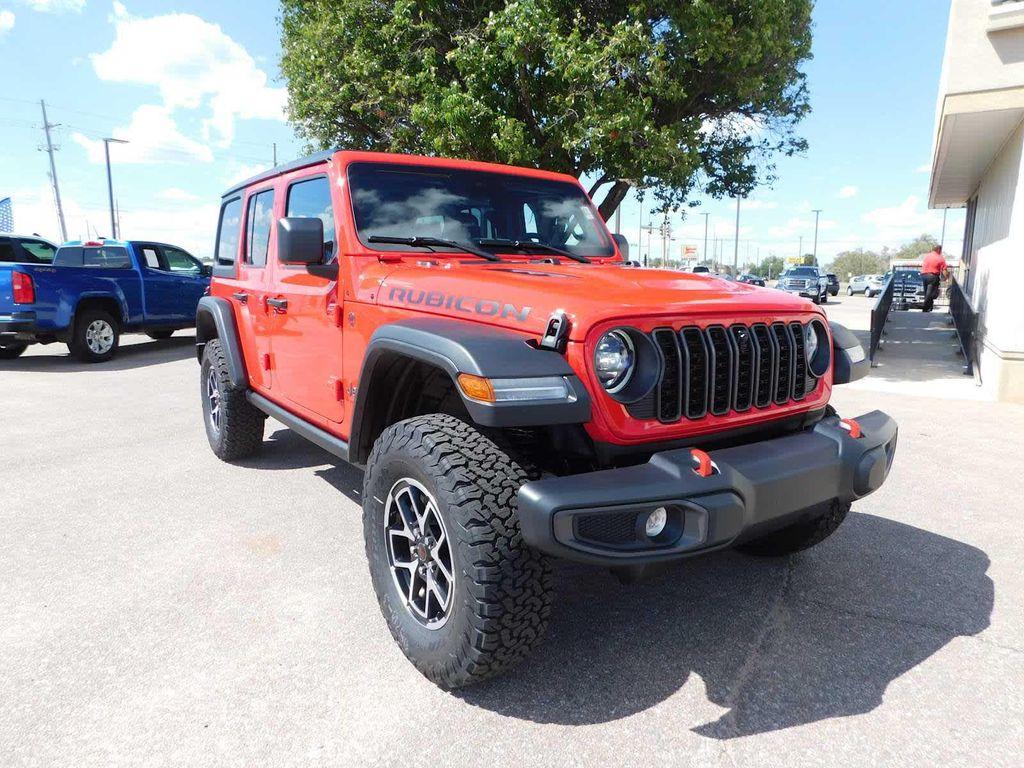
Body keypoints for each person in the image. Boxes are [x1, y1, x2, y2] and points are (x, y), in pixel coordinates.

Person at [920, 244, 949, 312]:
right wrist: (947, 278)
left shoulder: (927, 256)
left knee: (926, 292)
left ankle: (929, 306)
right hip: (932, 276)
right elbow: (944, 270)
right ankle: (925, 307)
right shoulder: (940, 258)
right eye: (941, 250)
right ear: (938, 250)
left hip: (924, 275)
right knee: (930, 293)